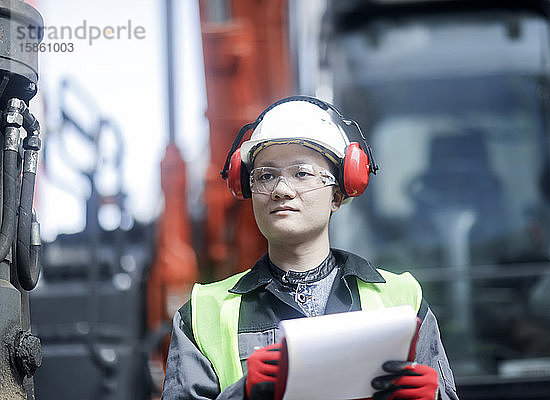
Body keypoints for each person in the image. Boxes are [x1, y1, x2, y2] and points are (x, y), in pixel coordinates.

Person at [162, 96, 459, 400]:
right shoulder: (203, 313)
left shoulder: (403, 299)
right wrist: (244, 394)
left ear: (338, 195)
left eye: (301, 173)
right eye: (265, 176)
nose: (281, 190)